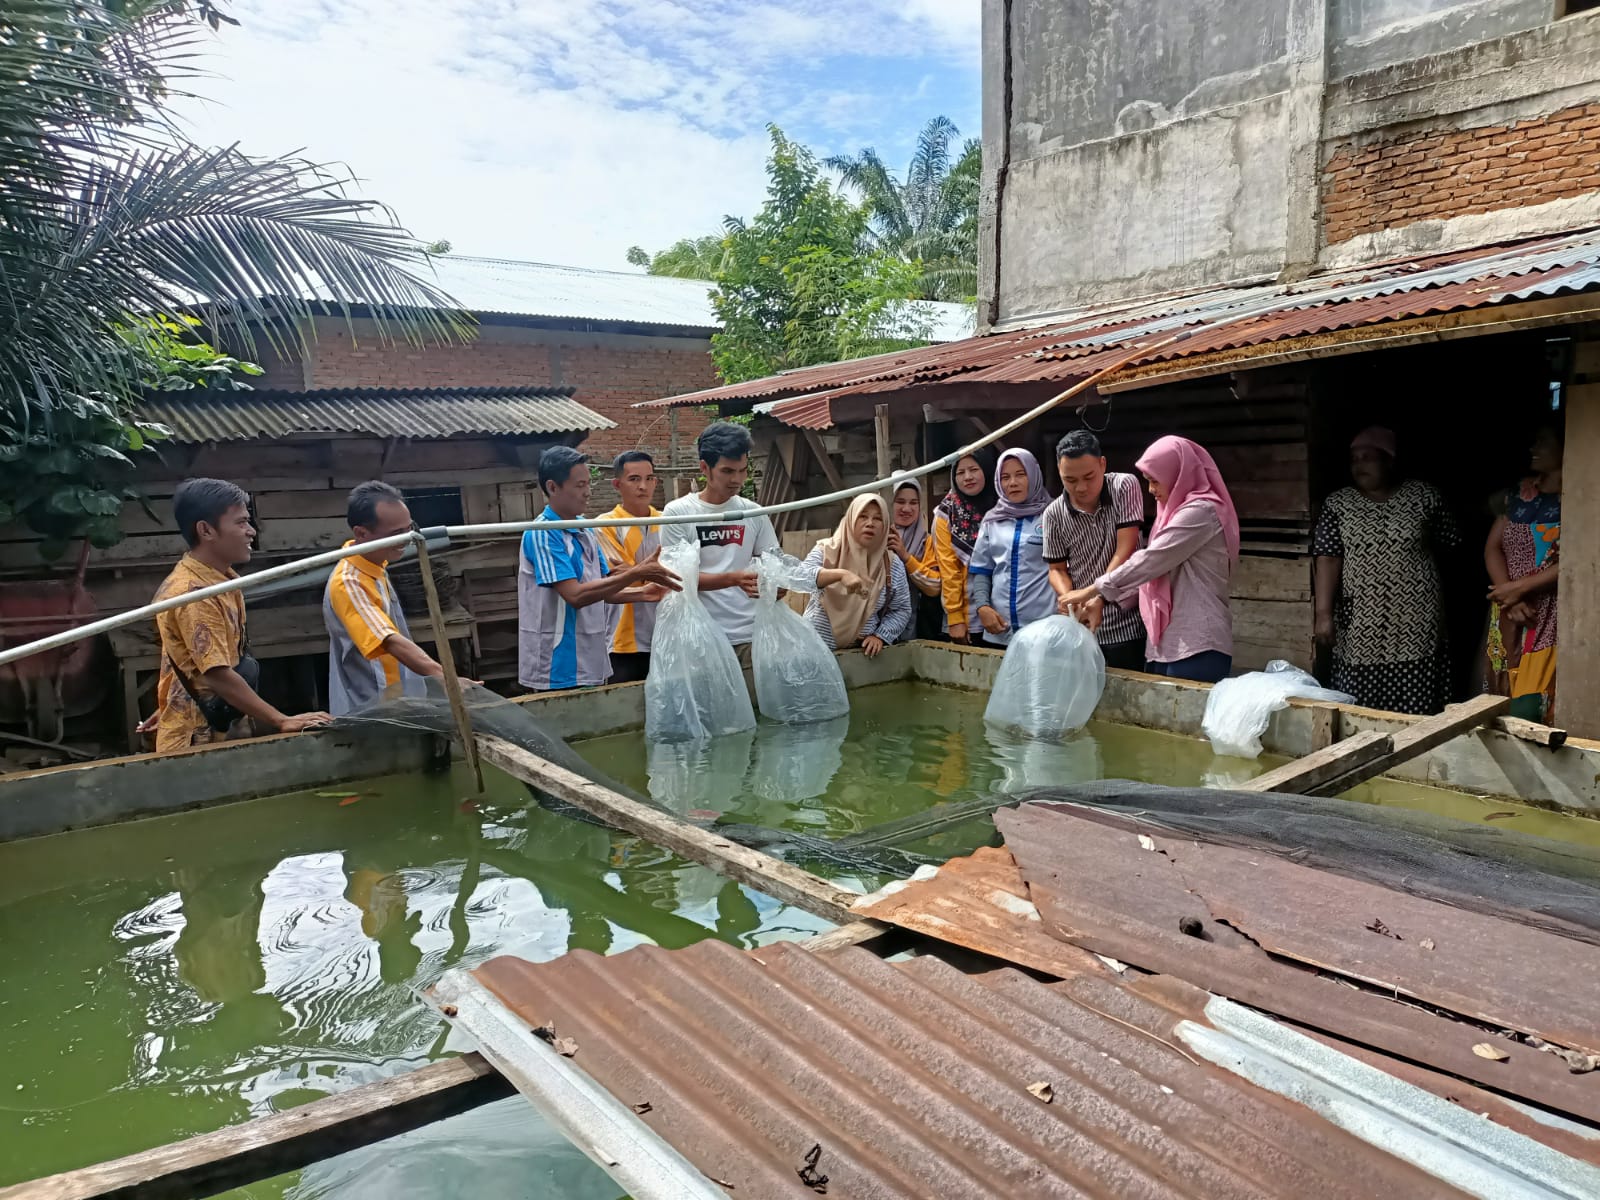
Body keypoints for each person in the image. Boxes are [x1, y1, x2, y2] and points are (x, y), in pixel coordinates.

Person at [150, 478, 329, 752]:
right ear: (206, 530)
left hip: (220, 724)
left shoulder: (221, 579)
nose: (251, 532)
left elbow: (185, 659)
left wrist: (174, 698)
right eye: (242, 522)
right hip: (197, 744)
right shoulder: (193, 594)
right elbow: (217, 674)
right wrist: (280, 720)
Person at [1063, 435, 1239, 682]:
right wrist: (1101, 599)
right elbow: (1152, 574)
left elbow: (1150, 561)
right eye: (1148, 481)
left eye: (1156, 481)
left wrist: (1091, 591)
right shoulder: (1169, 515)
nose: (1151, 490)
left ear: (1177, 474)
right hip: (1164, 645)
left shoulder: (1202, 512)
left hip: (1198, 643)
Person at [1312, 428, 1461, 714]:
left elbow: (1450, 545)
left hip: (1417, 618)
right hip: (1361, 620)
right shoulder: (1339, 504)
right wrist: (1323, 614)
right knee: (1360, 701)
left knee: (1417, 693)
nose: (1359, 465)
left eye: (1368, 458)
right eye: (1354, 459)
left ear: (1390, 461)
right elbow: (1328, 559)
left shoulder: (1424, 497)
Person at [520, 445, 679, 692]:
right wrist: (637, 573)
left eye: (588, 484)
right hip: (557, 662)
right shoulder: (543, 532)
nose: (588, 492)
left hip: (592, 656)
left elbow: (604, 587)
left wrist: (644, 593)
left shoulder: (586, 528)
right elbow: (575, 595)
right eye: (579, 485)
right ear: (553, 487)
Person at [324, 480, 460, 716]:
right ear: (361, 533)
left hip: (398, 699)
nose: (407, 539)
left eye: (409, 529)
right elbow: (388, 640)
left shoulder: (376, 564)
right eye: (397, 533)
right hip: (373, 706)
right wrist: (443, 676)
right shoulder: (349, 583)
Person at [1043, 429, 1147, 670]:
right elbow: (1056, 569)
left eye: (1089, 477)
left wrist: (1099, 596)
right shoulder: (1053, 514)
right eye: (1070, 480)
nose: (1081, 487)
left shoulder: (1123, 486)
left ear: (1102, 464)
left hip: (1129, 623)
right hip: (1080, 630)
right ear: (1060, 472)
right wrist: (1070, 600)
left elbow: (1127, 548)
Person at [1484, 424, 1563, 722]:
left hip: (1550, 613)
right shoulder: (1520, 493)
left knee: (1532, 709)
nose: (1534, 448)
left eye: (1543, 441)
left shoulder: (1583, 499)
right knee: (1498, 703)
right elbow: (1493, 548)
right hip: (1509, 609)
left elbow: (1581, 560)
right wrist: (1510, 595)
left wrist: (1520, 589)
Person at [802, 494, 911, 655]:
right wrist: (840, 575)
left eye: (877, 518)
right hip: (814, 651)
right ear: (851, 519)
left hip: (861, 658)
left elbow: (902, 609)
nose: (870, 524)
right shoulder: (826, 550)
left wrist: (880, 636)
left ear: (886, 525)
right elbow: (802, 577)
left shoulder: (892, 565)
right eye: (863, 516)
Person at [968, 448, 1055, 648]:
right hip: (1000, 628)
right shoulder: (992, 520)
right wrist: (982, 607)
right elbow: (982, 570)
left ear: (1034, 475)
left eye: (1020, 474)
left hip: (1043, 631)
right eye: (1005, 477)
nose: (1012, 483)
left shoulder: (1052, 516)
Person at [597, 450, 662, 684]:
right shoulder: (605, 525)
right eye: (634, 479)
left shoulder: (667, 521)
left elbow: (680, 572)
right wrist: (657, 571)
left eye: (649, 478)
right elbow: (618, 573)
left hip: (665, 636)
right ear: (617, 484)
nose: (643, 486)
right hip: (623, 642)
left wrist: (636, 570)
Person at [930, 446, 998, 643]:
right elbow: (948, 569)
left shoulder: (1002, 506)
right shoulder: (946, 514)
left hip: (1002, 611)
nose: (967, 477)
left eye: (974, 470)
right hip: (967, 617)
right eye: (960, 472)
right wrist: (955, 618)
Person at [888, 478, 943, 640]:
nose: (907, 508)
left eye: (913, 503)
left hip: (916, 628)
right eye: (900, 501)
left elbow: (935, 585)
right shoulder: (875, 536)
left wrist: (906, 557)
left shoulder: (927, 541)